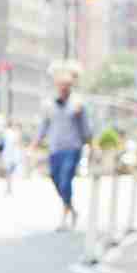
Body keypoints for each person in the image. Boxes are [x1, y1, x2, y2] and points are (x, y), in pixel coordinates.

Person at [37, 62, 92, 229]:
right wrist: (36, 142)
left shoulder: (78, 104)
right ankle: (72, 209)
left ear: (70, 86)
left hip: (73, 148)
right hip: (55, 148)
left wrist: (91, 144)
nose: (63, 88)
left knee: (65, 180)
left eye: (67, 85)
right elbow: (44, 126)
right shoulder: (48, 105)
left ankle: (65, 217)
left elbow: (85, 127)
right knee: (56, 179)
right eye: (61, 85)